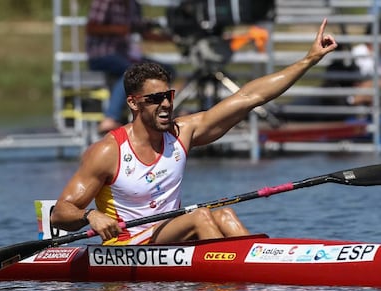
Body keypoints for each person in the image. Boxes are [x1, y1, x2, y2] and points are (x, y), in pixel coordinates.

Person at [51, 19, 337, 245]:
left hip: (169, 235)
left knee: (225, 215)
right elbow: (60, 212)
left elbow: (251, 97)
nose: (165, 105)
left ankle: (260, 275)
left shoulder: (181, 133)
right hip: (126, 244)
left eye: (168, 96)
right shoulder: (108, 151)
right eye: (154, 99)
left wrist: (308, 60)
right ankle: (227, 278)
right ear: (133, 103)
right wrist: (91, 215)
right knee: (200, 217)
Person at [86, 0, 174, 135]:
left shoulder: (134, 5)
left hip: (126, 56)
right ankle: (111, 117)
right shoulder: (105, 2)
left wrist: (170, 38)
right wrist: (118, 29)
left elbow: (142, 32)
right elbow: (92, 27)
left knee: (167, 70)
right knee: (130, 71)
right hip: (102, 54)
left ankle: (154, 112)